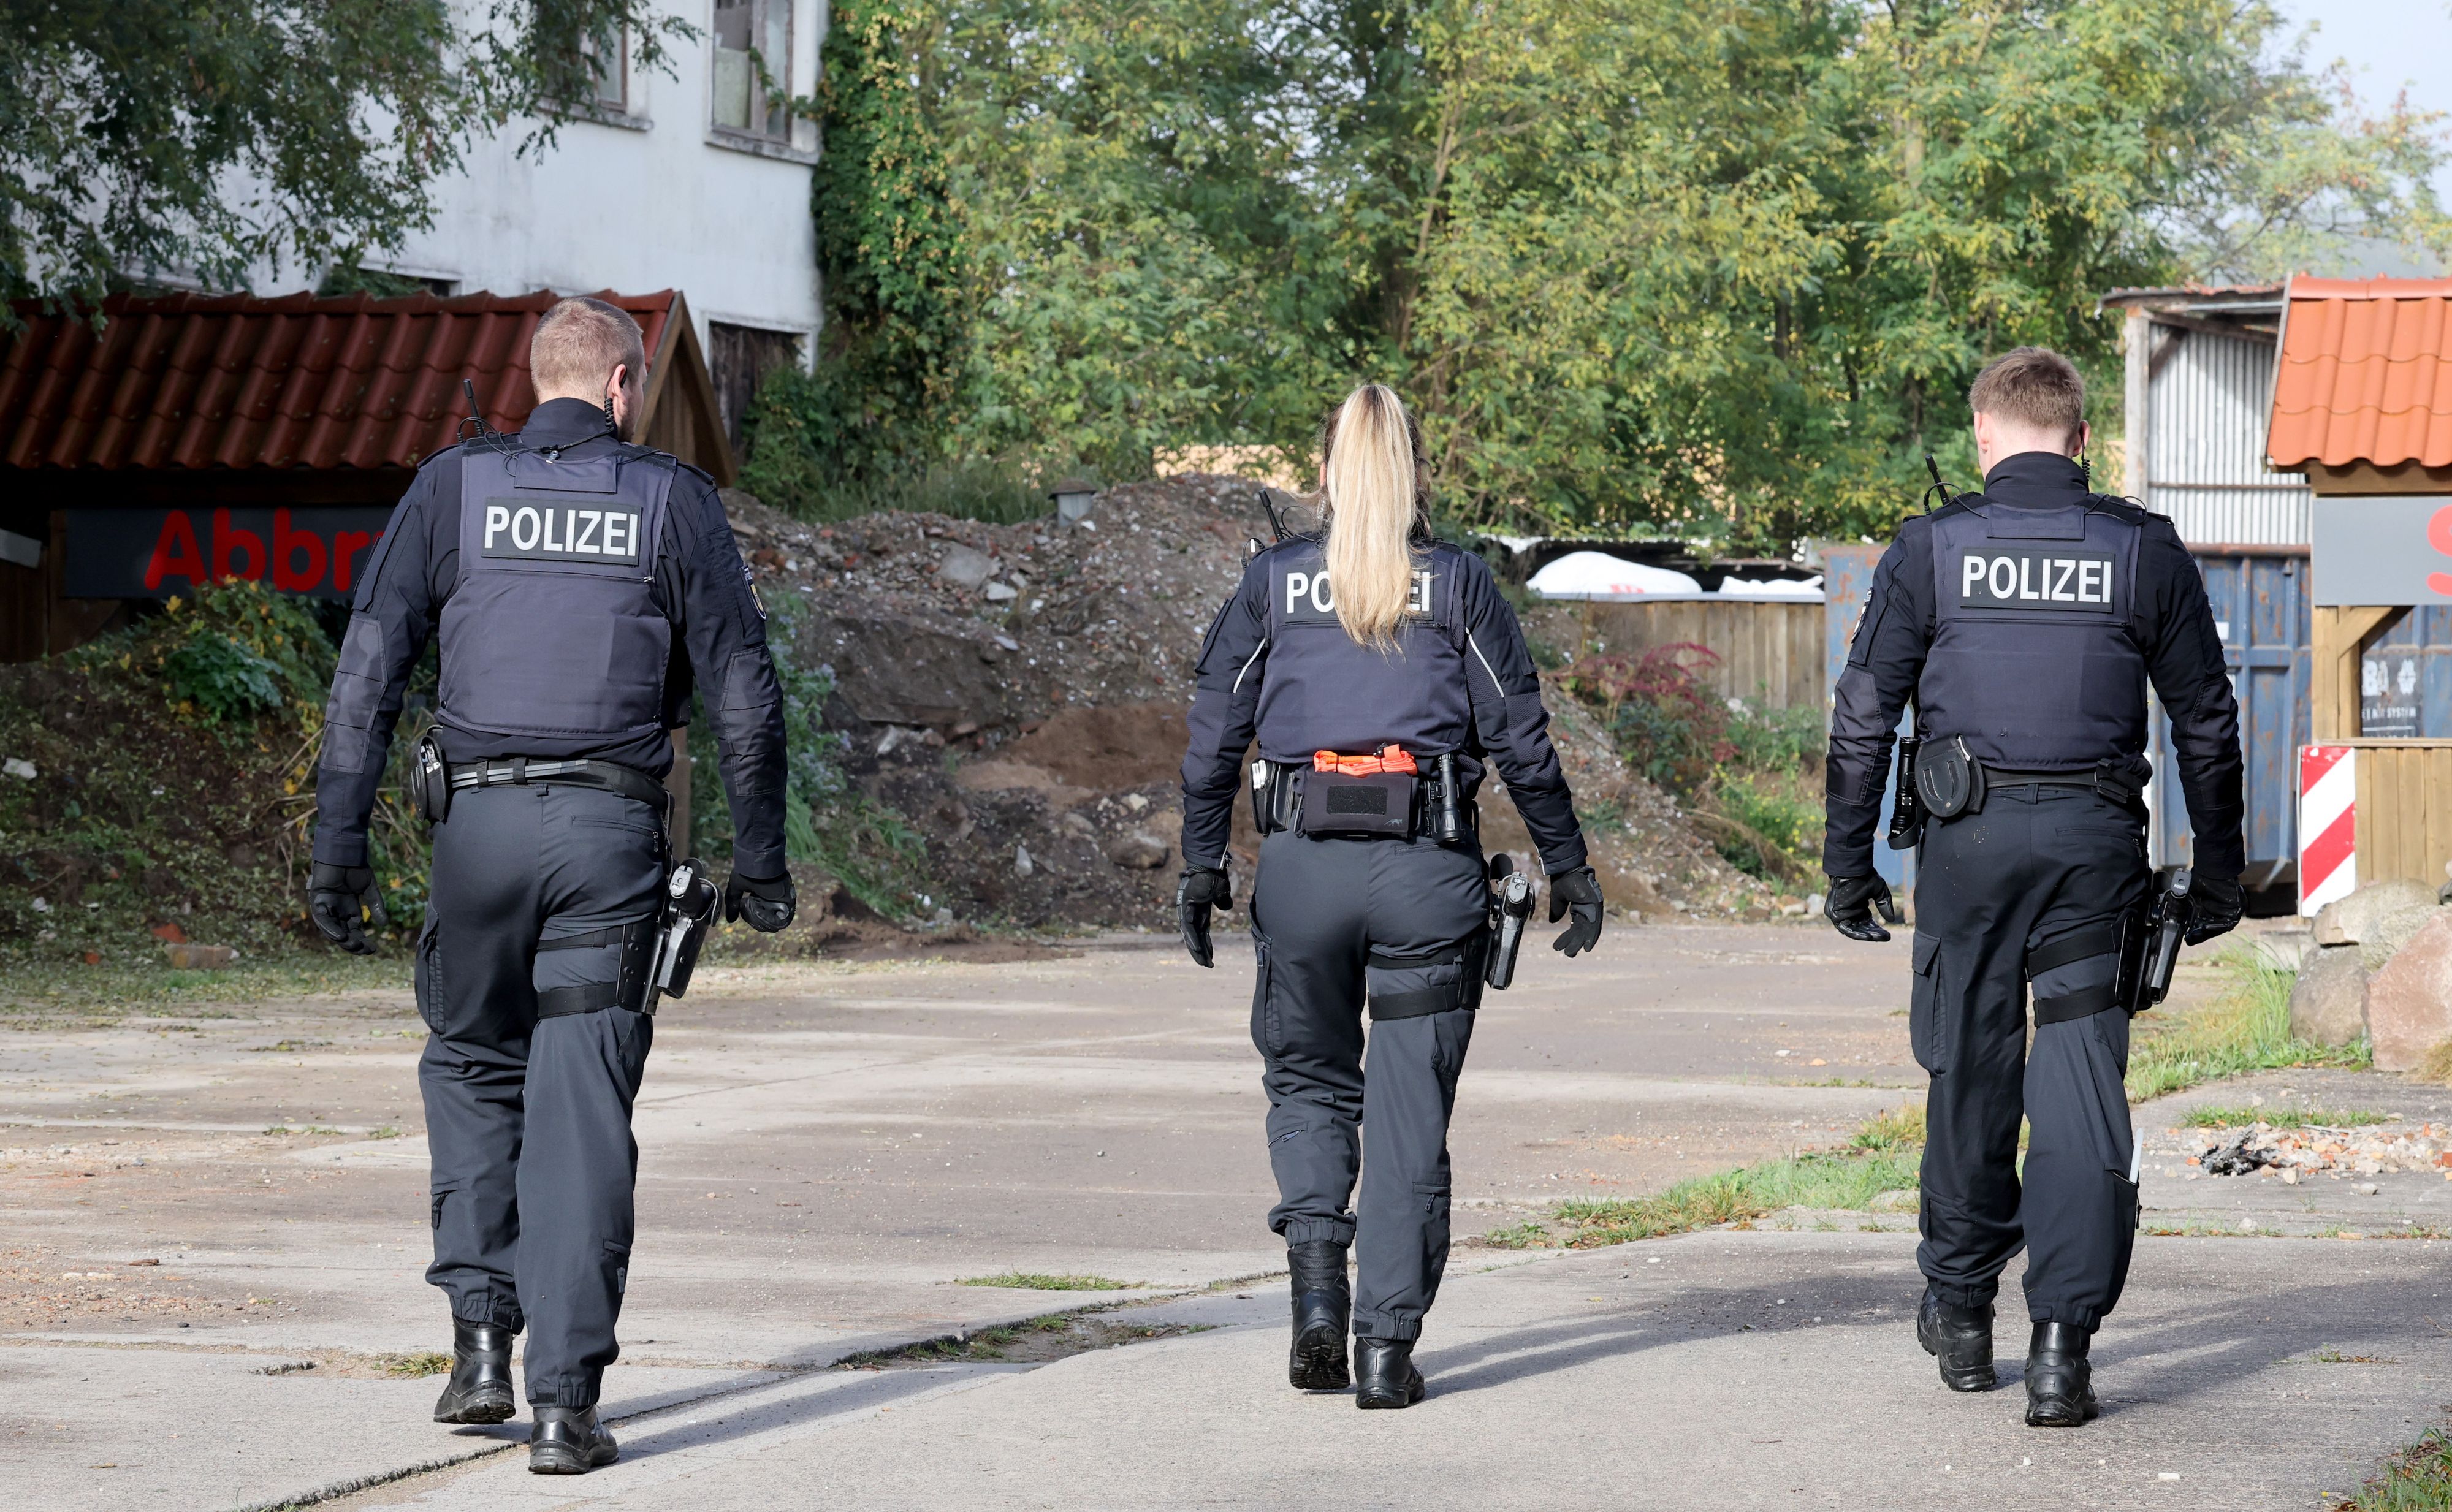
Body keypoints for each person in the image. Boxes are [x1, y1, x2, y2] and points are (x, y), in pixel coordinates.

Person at [306, 297, 795, 1473]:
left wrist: (338, 846)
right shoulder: (672, 500)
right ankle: (566, 1409)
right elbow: (742, 694)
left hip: (474, 833)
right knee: (581, 1109)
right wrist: (761, 864)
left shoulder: (455, 487)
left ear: (538, 383)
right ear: (624, 388)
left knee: (474, 1064)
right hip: (607, 841)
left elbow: (368, 669)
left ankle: (480, 1346)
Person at [1821, 346, 2244, 1427]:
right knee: (2081, 1085)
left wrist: (1848, 864)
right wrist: (2219, 873)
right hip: (2093, 848)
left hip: (1966, 849)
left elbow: (1864, 716)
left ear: (1983, 435)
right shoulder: (2142, 551)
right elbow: (2206, 719)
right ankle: (2061, 1348)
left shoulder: (1932, 549)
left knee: (1970, 1067)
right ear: (2083, 438)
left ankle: (1963, 1317)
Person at [1176, 383, 1604, 1409]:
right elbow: (1524, 746)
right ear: (1415, 478)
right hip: (1428, 876)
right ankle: (1382, 1351)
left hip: (1302, 874)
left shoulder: (1272, 585)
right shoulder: (1460, 586)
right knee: (1411, 1119)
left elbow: (1209, 744)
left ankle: (1318, 1299)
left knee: (1313, 1086)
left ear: (1322, 477)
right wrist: (1571, 870)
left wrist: (1201, 865)